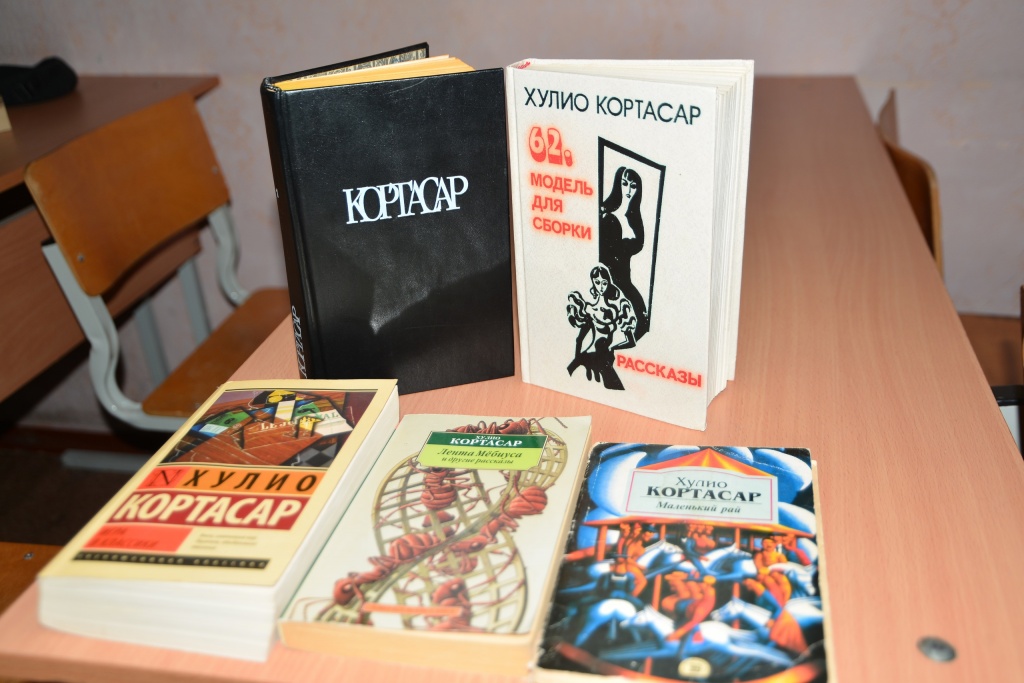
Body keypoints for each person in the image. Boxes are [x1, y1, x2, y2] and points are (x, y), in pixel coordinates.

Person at [566, 265, 637, 390]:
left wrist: (612, 347)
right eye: (597, 282)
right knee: (570, 378)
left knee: (613, 386)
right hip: (590, 356)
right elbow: (579, 339)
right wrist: (577, 358)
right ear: (593, 283)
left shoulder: (615, 309)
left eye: (604, 283)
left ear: (608, 282)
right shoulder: (590, 309)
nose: (601, 287)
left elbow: (631, 342)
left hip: (605, 357)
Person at [599, 166, 649, 338]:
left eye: (633, 186)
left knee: (626, 290)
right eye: (624, 183)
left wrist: (624, 246)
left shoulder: (633, 216)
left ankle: (637, 327)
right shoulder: (606, 210)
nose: (628, 190)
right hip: (606, 262)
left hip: (622, 263)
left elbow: (639, 243)